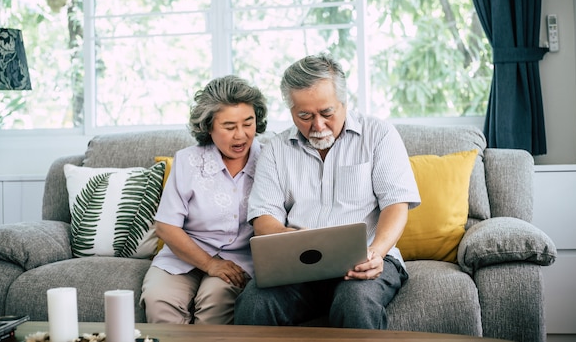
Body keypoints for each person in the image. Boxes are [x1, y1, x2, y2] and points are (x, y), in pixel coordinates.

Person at [234, 54, 421, 329]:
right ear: (291, 111)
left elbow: (396, 204)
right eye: (305, 116)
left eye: (327, 113)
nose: (317, 125)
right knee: (254, 302)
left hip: (366, 260)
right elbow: (264, 218)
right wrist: (295, 242)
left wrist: (377, 253)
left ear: (344, 103)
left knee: (354, 302)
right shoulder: (276, 149)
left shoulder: (379, 134)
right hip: (297, 269)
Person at [141, 75, 268, 324]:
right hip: (182, 254)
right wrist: (210, 264)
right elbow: (166, 226)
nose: (240, 135)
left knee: (216, 301)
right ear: (209, 127)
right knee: (159, 300)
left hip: (239, 259)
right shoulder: (188, 161)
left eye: (248, 123)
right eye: (229, 127)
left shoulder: (269, 160)